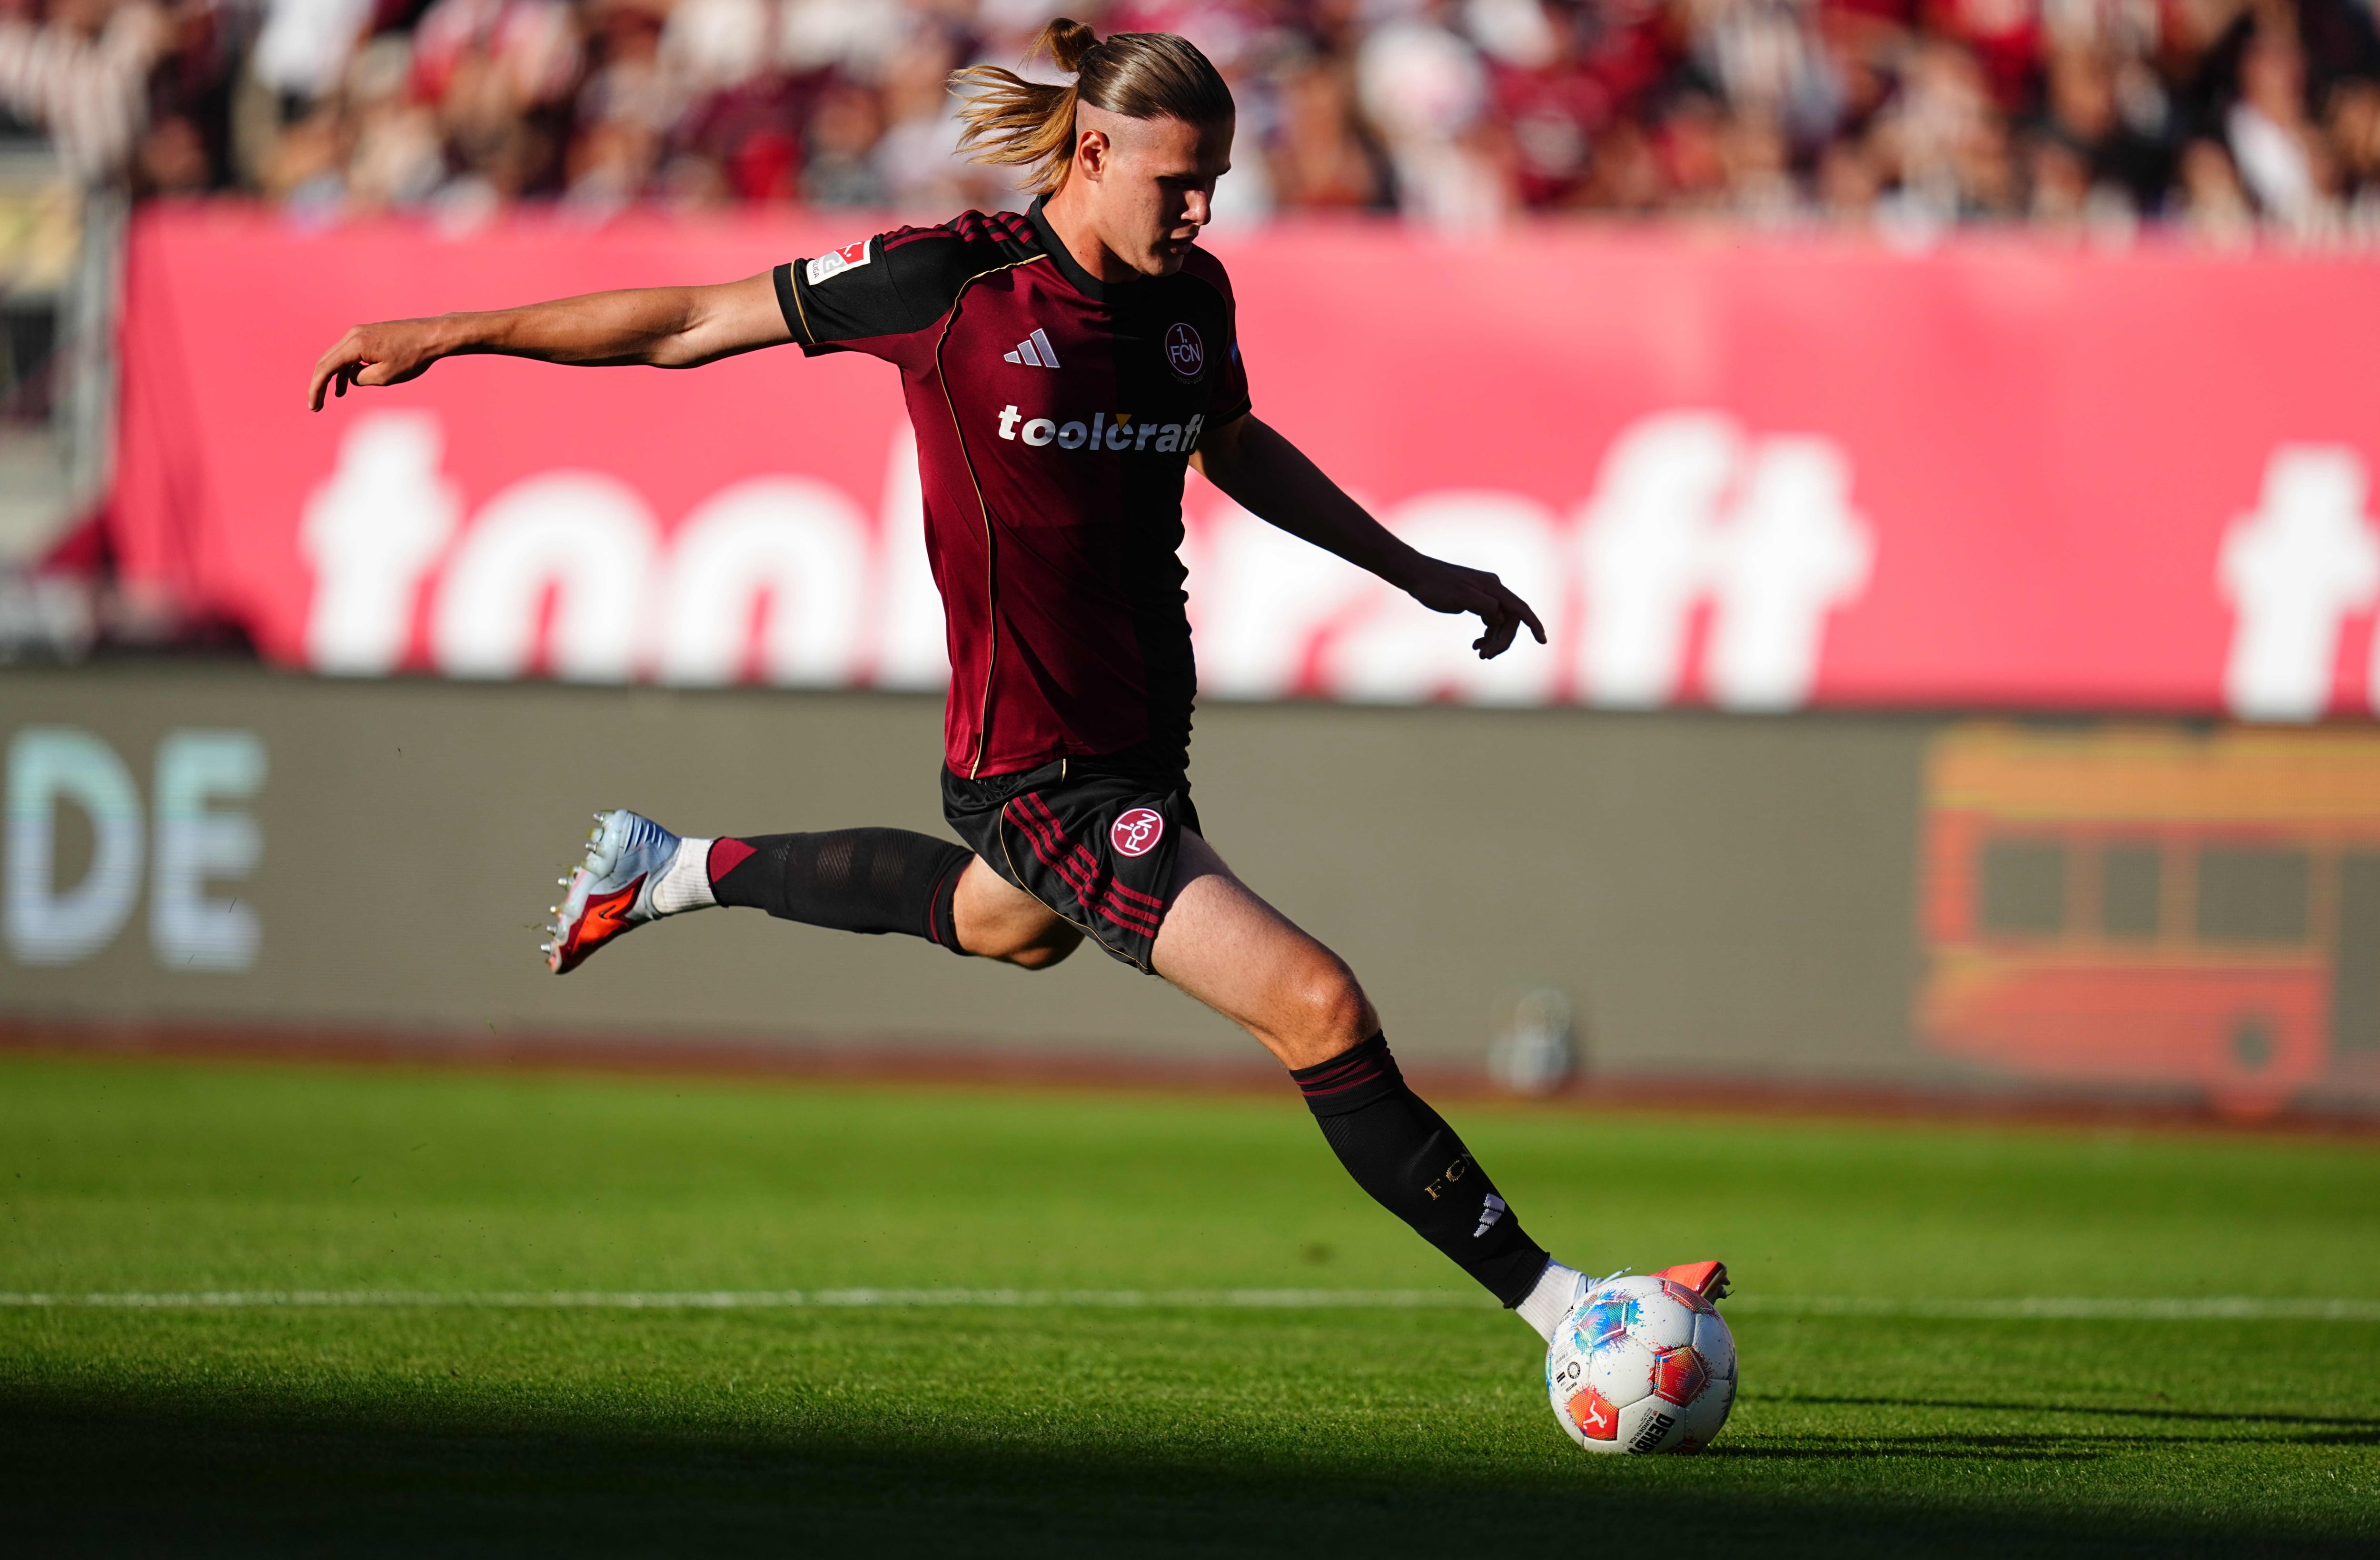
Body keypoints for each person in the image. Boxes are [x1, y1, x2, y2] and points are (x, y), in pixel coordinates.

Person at [307, 18, 1726, 1358]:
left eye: (1218, 186)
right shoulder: (952, 285)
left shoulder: (1193, 299)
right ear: (1096, 154)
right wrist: (451, 330)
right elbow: (686, 318)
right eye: (1183, 183)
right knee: (1318, 1006)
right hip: (1039, 770)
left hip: (1138, 750)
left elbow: (1232, 446)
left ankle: (674, 867)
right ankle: (1569, 1315)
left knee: (1010, 931)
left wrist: (1420, 571)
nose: (1203, 216)